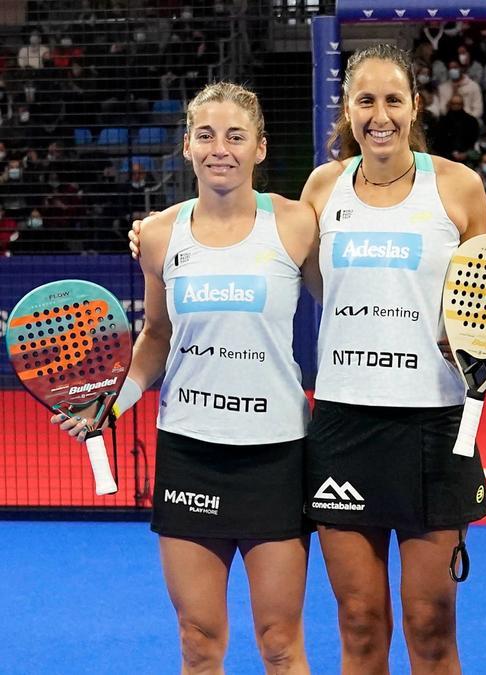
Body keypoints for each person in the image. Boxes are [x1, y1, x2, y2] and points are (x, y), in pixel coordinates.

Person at [298, 44, 486, 672]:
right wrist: (158, 229)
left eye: (393, 100)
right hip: (344, 424)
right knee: (358, 623)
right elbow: (286, 266)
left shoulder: (458, 185)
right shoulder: (322, 187)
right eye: (365, 101)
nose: (380, 115)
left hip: (435, 424)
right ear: (348, 109)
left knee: (430, 623)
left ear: (414, 106)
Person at [63, 82, 318, 672]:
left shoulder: (296, 224)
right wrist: (114, 405)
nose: (219, 148)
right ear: (186, 146)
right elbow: (156, 336)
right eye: (206, 135)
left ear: (260, 147)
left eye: (235, 136)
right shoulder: (158, 235)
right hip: (190, 450)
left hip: (275, 454)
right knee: (199, 639)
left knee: (280, 641)